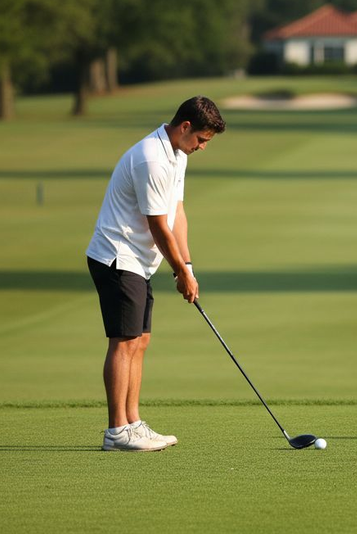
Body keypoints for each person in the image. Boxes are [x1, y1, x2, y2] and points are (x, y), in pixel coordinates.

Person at [86, 96, 225, 451]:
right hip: (118, 257)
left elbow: (177, 213)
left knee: (140, 339)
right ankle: (117, 430)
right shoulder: (151, 159)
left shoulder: (177, 154)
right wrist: (179, 271)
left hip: (137, 261)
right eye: (202, 140)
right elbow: (158, 226)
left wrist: (188, 267)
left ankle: (133, 422)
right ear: (185, 127)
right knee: (124, 341)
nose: (202, 147)